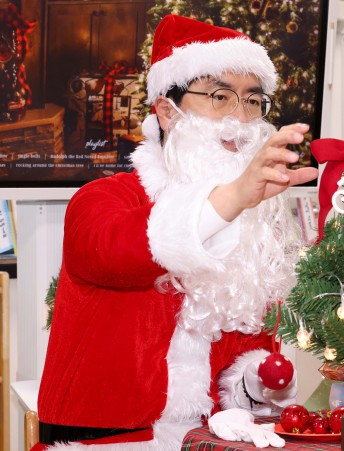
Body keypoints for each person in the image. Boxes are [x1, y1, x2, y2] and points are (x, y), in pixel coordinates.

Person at [35, 15, 317, 450]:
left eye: (253, 100)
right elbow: (118, 252)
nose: (241, 118)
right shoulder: (102, 199)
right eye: (220, 96)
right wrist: (232, 198)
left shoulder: (250, 226)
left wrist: (258, 381)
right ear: (167, 112)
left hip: (202, 441)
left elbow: (243, 353)